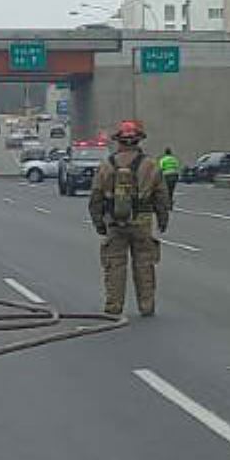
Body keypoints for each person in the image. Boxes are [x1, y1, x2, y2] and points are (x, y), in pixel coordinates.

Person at [87, 119, 171, 317]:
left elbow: (95, 198)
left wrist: (99, 223)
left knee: (114, 265)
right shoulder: (151, 165)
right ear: (138, 140)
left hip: (114, 223)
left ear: (119, 141)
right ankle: (146, 306)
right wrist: (162, 219)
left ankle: (114, 307)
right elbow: (162, 197)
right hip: (142, 223)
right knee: (144, 265)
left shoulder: (106, 165)